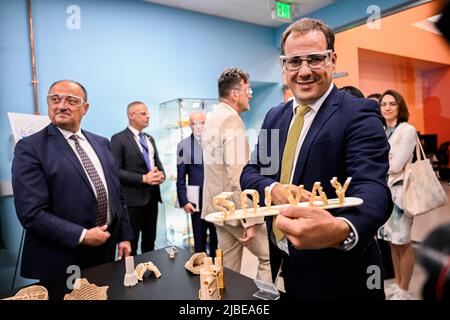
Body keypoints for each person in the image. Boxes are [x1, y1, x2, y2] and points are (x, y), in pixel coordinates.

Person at [240, 18, 392, 299]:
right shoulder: (275, 116)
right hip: (286, 262)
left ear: (332, 60)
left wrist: (340, 230)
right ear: (284, 66)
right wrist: (275, 189)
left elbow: (373, 189)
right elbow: (251, 173)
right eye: (295, 61)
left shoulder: (359, 114)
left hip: (342, 273)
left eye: (315, 59)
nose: (304, 71)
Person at [11, 80, 133, 281]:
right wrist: (83, 236)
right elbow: (31, 213)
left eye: (71, 100)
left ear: (85, 108)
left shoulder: (101, 143)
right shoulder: (30, 148)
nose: (61, 105)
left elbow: (116, 194)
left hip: (106, 249)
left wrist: (125, 236)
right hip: (62, 257)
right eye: (55, 99)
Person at [202, 67, 271, 282]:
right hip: (234, 210)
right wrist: (250, 218)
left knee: (228, 269)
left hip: (217, 209)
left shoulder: (212, 118)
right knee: (269, 258)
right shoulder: (231, 120)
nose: (250, 94)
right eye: (247, 90)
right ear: (235, 93)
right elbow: (237, 174)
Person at [377, 89, 417, 300]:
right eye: (384, 104)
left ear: (400, 107)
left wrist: (378, 162)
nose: (387, 107)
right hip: (385, 194)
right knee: (392, 242)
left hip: (402, 194)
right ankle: (398, 284)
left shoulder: (407, 130)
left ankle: (405, 289)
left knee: (404, 241)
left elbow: (396, 165)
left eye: (392, 104)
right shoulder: (381, 130)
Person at [111, 101, 165, 255]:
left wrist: (161, 175)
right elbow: (115, 171)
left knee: (150, 242)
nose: (148, 117)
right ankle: (132, 277)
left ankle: (151, 273)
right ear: (131, 116)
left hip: (152, 198)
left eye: (147, 113)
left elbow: (158, 164)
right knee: (131, 246)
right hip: (132, 202)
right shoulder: (118, 139)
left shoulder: (149, 138)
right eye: (143, 113)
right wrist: (143, 179)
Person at [176, 111, 217, 256]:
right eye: (194, 123)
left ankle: (216, 268)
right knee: (199, 240)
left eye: (202, 122)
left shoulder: (215, 142)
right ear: (190, 126)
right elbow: (180, 178)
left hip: (215, 199)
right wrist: (184, 201)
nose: (198, 126)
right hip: (196, 201)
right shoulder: (183, 145)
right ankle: (200, 271)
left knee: (216, 239)